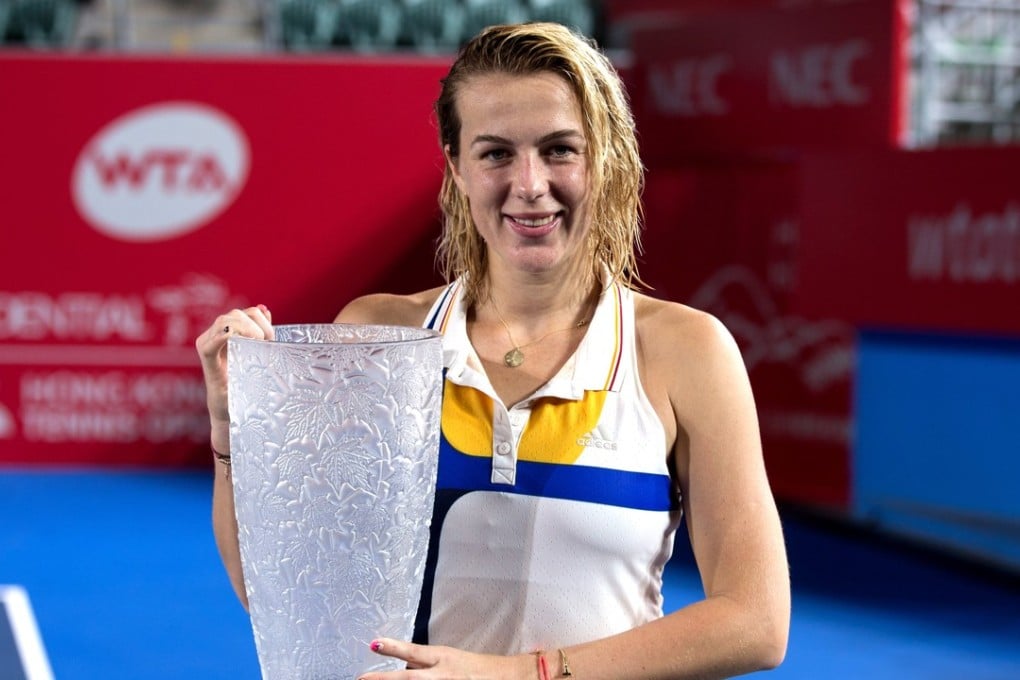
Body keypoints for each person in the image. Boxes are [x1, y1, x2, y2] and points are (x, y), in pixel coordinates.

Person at [196, 22, 790, 679]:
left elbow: (756, 620)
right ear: (456, 166)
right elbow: (289, 599)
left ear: (606, 157)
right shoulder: (379, 337)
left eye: (560, 149)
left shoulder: (683, 351)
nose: (530, 183)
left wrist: (514, 674)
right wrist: (233, 429)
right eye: (496, 153)